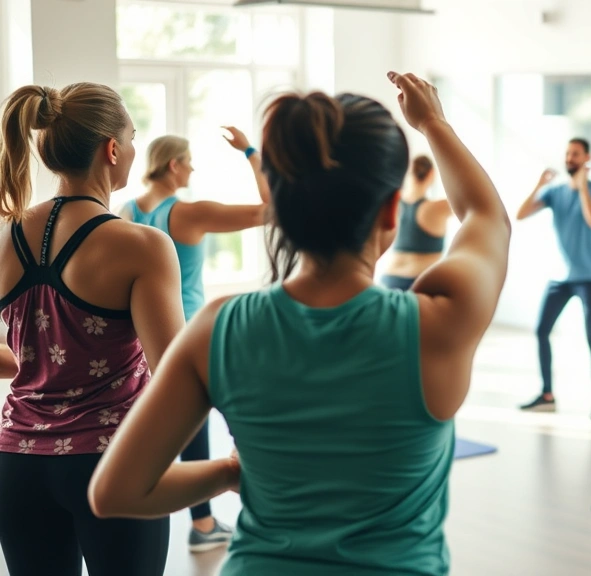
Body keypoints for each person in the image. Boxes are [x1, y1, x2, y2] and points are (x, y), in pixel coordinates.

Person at [88, 72, 511, 575]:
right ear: (390, 211)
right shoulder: (440, 321)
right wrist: (432, 123)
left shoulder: (218, 328)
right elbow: (486, 216)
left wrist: (228, 472)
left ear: (282, 211)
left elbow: (115, 492)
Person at [0, 83, 184, 575]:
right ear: (112, 149)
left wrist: (43, 357)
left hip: (17, 462)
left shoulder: (8, 234)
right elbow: (175, 371)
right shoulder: (141, 244)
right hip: (113, 461)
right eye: (133, 135)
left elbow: (12, 354)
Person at [122, 128, 270, 551]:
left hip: (144, 337)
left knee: (187, 422)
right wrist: (250, 152)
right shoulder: (186, 213)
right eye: (188, 161)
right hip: (189, 332)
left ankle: (203, 522)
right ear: (174, 165)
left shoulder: (126, 211)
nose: (192, 168)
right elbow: (270, 210)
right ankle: (207, 524)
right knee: (214, 419)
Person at [517, 138, 591, 420]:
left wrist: (582, 186)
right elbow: (521, 214)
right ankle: (547, 395)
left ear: (587, 158)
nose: (570, 158)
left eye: (576, 154)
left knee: (590, 335)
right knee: (541, 330)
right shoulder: (554, 192)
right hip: (560, 277)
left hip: (589, 277)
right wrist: (539, 184)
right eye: (568, 153)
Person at [380, 154, 452, 291]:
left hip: (388, 279)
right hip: (418, 282)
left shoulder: (393, 203)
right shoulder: (437, 208)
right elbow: (471, 205)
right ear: (431, 174)